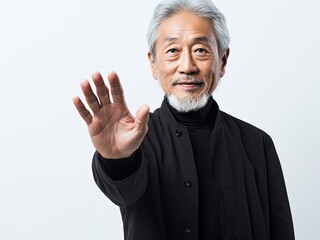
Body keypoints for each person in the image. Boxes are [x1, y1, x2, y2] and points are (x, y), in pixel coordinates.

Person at [72, 0, 294, 239]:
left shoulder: (257, 144)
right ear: (153, 64)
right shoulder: (137, 140)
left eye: (200, 50)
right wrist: (117, 159)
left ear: (223, 60)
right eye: (172, 51)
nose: (187, 67)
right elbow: (123, 192)